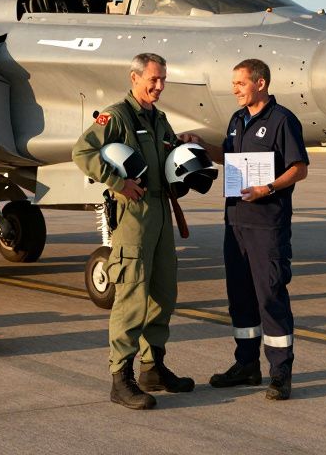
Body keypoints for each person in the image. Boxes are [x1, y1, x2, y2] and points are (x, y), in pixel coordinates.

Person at [179, 58, 308, 401]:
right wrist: (199, 145)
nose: (234, 88)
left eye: (240, 83)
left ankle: (280, 374)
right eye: (233, 83)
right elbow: (227, 156)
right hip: (234, 222)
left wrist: (269, 188)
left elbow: (299, 168)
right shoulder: (237, 120)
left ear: (260, 83)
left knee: (270, 298)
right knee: (240, 299)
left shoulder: (282, 121)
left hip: (267, 225)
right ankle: (246, 365)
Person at [73, 53, 194, 410]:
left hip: (160, 212)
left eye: (162, 80)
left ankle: (152, 368)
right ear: (135, 78)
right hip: (132, 216)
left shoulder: (159, 120)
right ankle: (120, 378)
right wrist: (117, 182)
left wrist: (184, 148)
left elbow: (170, 158)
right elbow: (83, 151)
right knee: (131, 298)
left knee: (162, 293)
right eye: (153, 80)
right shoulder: (118, 116)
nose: (159, 87)